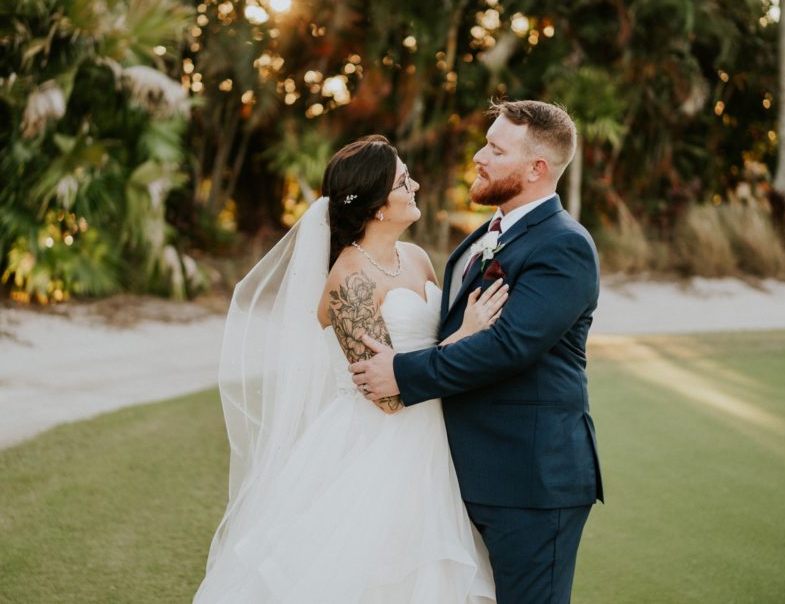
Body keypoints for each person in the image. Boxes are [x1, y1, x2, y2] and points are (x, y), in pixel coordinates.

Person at [193, 136, 508, 603]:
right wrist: (468, 334)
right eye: (405, 181)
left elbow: (431, 348)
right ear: (379, 206)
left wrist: (464, 334)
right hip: (377, 448)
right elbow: (385, 396)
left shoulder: (417, 258)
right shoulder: (349, 280)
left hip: (432, 437)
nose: (416, 184)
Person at [350, 100, 604, 604]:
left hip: (529, 481)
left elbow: (509, 347)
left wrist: (402, 374)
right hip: (461, 474)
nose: (478, 156)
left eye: (495, 148)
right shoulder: (479, 239)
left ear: (536, 169)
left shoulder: (564, 246)